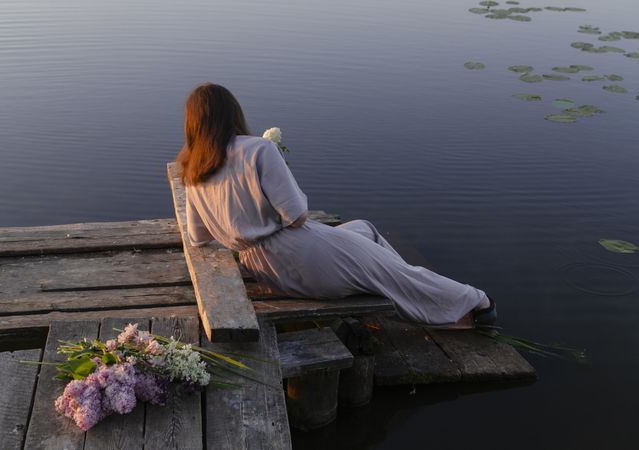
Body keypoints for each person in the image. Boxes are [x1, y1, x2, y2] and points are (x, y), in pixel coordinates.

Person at [176, 82, 496, 326]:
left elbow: (198, 237)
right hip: (299, 257)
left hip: (263, 269)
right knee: (396, 273)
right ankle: (475, 304)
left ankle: (411, 300)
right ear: (233, 113)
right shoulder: (258, 150)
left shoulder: (192, 169)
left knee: (365, 230)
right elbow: (298, 216)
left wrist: (242, 220)